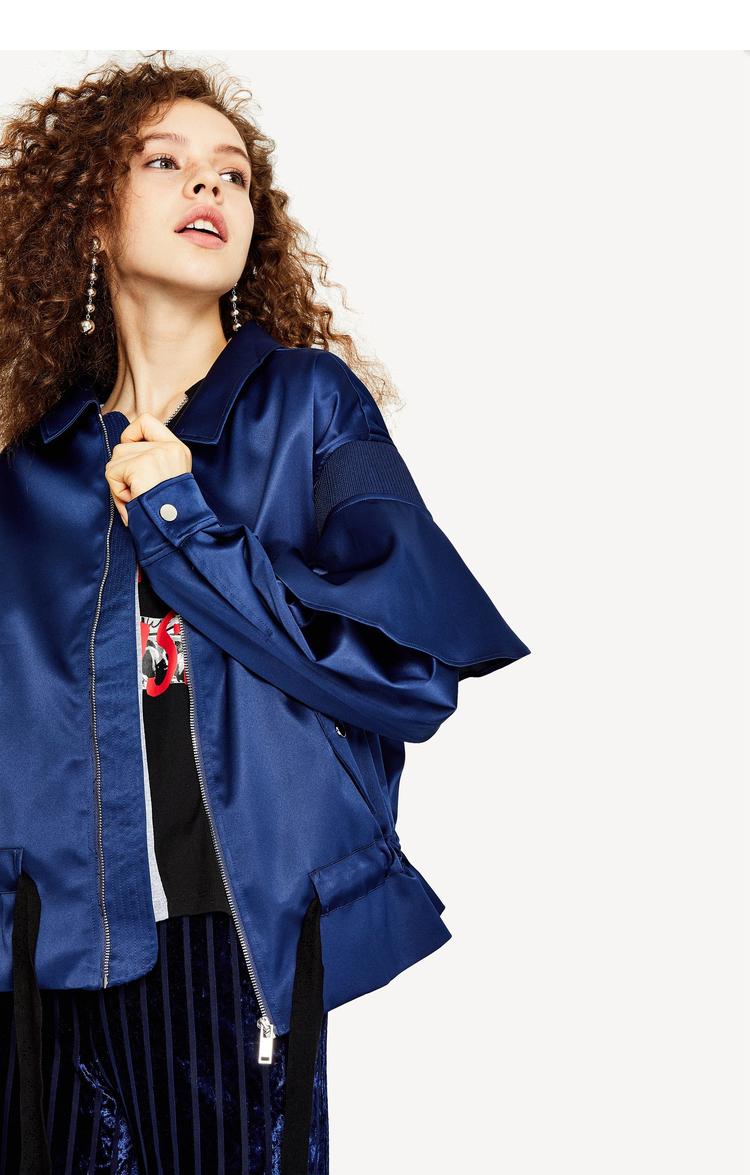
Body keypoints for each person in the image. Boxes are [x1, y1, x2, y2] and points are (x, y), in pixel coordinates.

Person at [0, 54, 531, 1174]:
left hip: (227, 941)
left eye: (233, 174)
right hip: (38, 954)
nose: (210, 186)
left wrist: (183, 520)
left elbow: (404, 671)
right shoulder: (29, 467)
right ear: (90, 214)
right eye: (165, 163)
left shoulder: (310, 409)